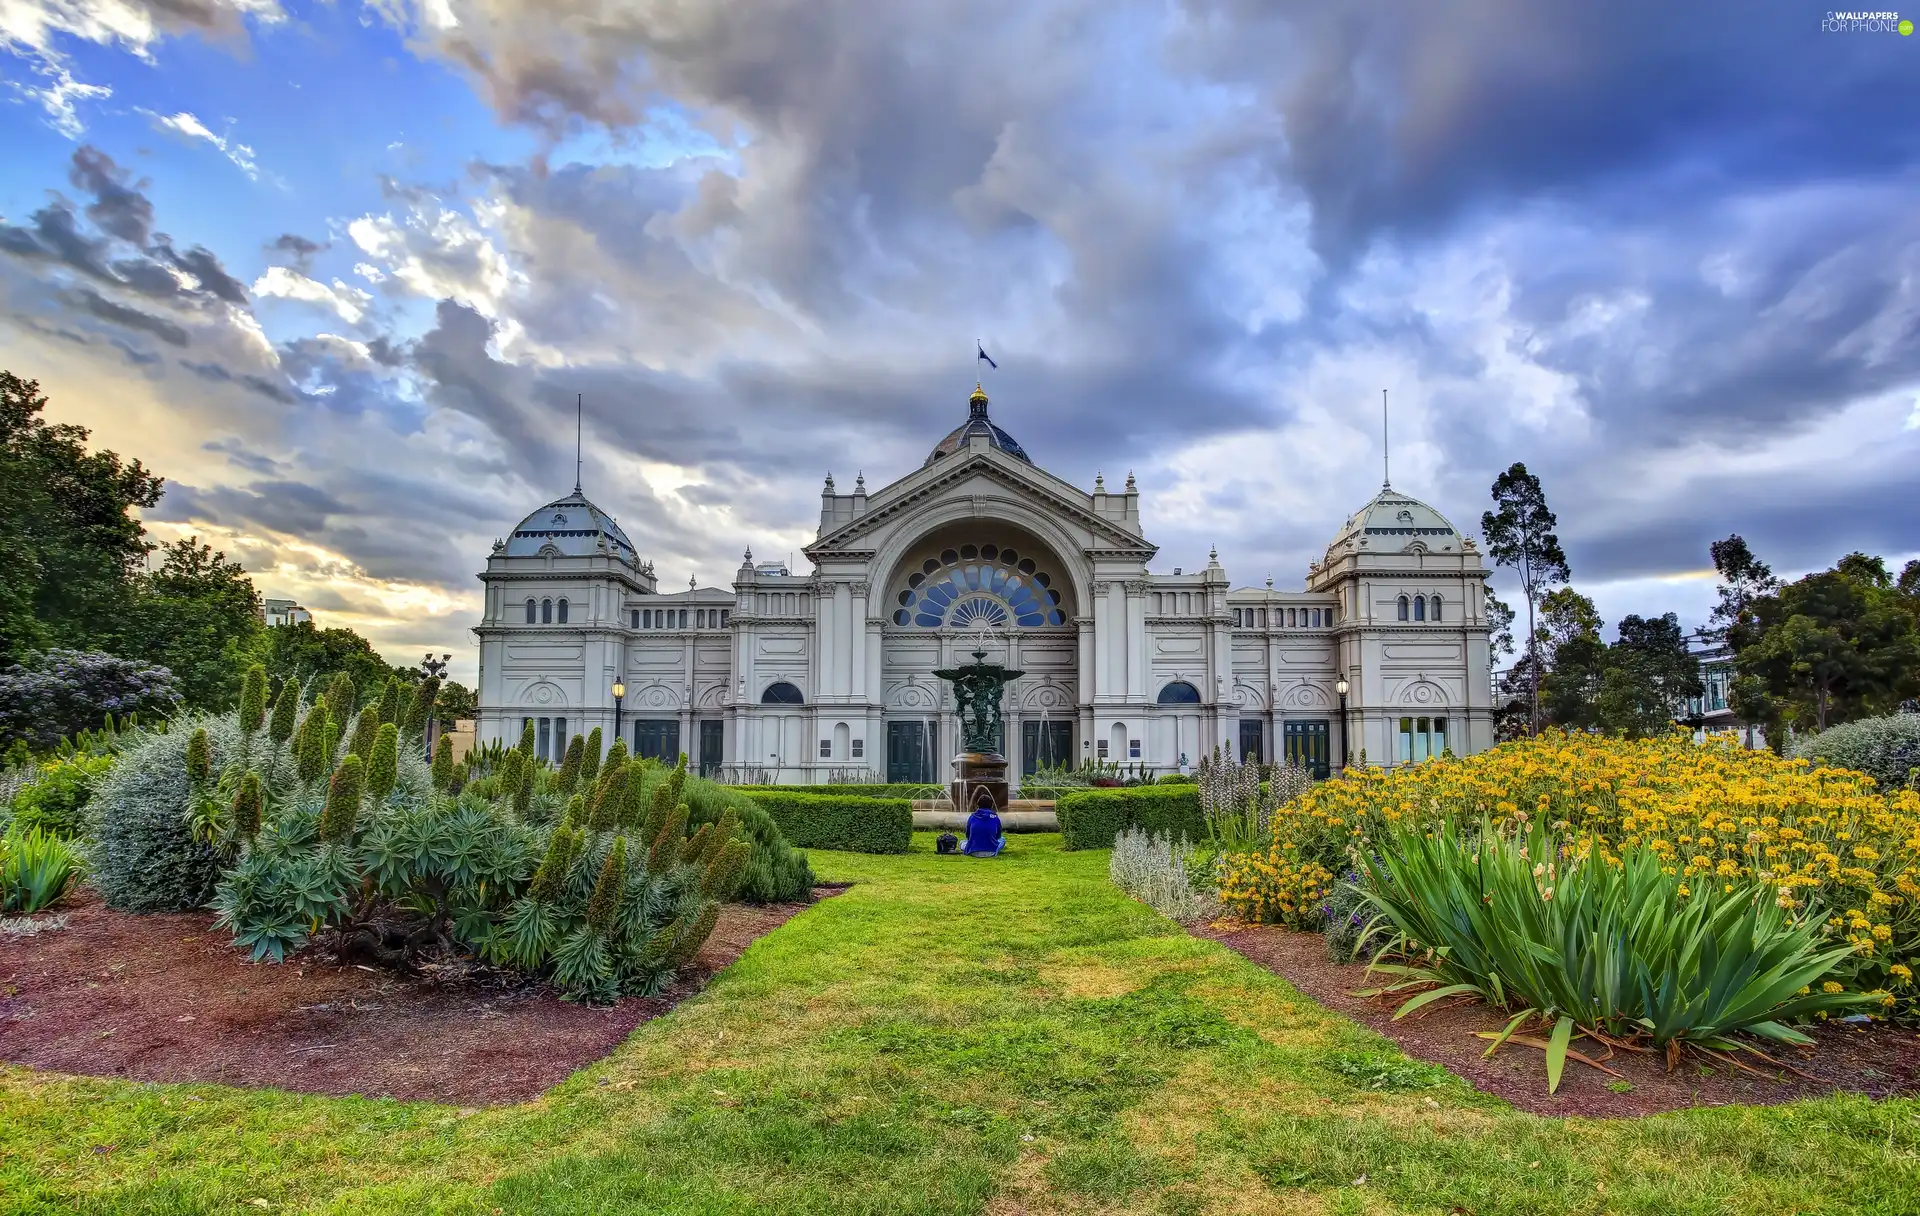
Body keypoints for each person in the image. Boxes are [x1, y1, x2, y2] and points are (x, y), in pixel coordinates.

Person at [962, 788, 1005, 857]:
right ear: (991, 805)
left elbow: (968, 835)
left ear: (978, 805)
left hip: (973, 851)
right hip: (991, 852)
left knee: (962, 842)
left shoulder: (972, 817)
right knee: (1002, 840)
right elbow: (998, 835)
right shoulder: (995, 817)